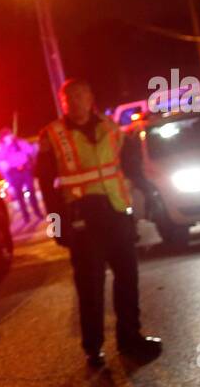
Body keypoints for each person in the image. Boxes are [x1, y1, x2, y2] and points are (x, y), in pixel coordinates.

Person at [36, 78, 162, 369]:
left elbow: (129, 165)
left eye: (82, 94)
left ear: (91, 96)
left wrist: (146, 188)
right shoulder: (52, 135)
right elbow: (45, 186)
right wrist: (57, 225)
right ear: (63, 102)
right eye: (71, 98)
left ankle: (130, 338)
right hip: (82, 218)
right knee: (90, 284)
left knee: (128, 276)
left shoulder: (110, 127)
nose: (77, 101)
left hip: (116, 210)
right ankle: (93, 348)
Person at [0, 126, 45, 225]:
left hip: (25, 170)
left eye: (10, 134)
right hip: (14, 173)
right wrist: (5, 146)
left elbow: (30, 150)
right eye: (7, 136)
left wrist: (22, 145)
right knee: (19, 195)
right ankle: (26, 216)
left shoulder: (19, 143)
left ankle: (38, 212)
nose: (9, 137)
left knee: (31, 192)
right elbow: (1, 160)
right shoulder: (2, 148)